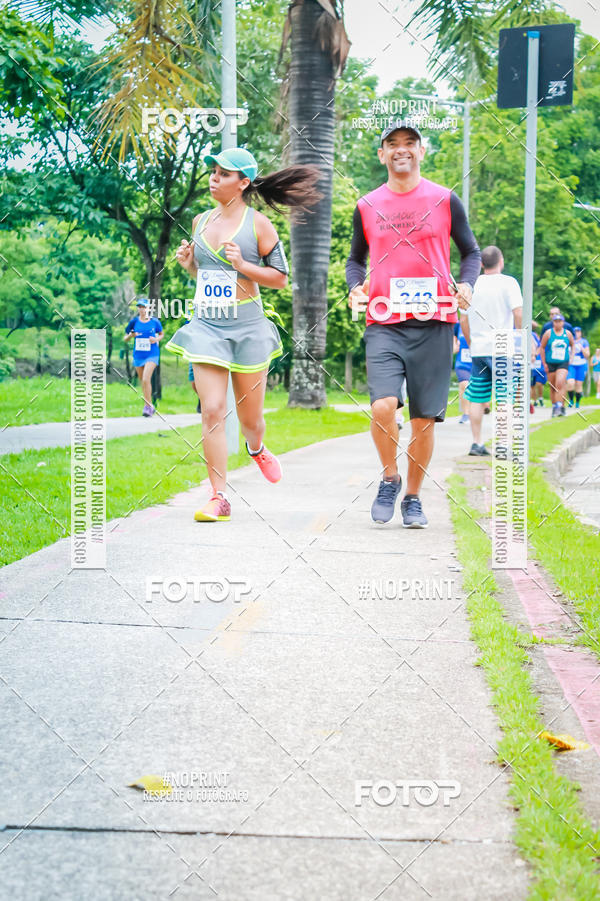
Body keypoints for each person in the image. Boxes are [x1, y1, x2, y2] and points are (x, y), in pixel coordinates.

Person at [166, 146, 320, 522]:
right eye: (213, 172)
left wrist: (243, 264)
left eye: (223, 174)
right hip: (207, 326)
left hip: (248, 328)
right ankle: (219, 496)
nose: (214, 178)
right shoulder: (201, 221)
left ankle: (256, 448)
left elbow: (280, 279)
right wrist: (189, 265)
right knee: (212, 410)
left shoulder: (259, 225)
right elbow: (206, 277)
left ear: (243, 183)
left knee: (251, 421)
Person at [346, 118, 480, 528]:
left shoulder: (445, 199)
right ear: (382, 154)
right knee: (382, 405)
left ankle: (413, 498)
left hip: (435, 321)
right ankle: (390, 478)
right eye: (392, 143)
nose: (401, 148)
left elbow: (471, 252)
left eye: (410, 142)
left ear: (422, 151)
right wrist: (354, 287)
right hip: (384, 320)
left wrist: (467, 284)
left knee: (423, 419)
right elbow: (355, 260)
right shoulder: (367, 205)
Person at [460, 246, 523, 455]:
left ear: (480, 264)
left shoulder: (472, 285)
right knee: (504, 397)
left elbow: (463, 319)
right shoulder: (509, 283)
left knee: (477, 397)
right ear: (501, 261)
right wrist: (520, 339)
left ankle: (476, 443)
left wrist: (471, 342)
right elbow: (518, 313)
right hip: (503, 346)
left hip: (479, 348)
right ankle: (503, 444)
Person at [124, 298, 163, 416]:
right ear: (138, 309)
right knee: (143, 382)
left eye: (144, 307)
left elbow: (161, 334)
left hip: (152, 354)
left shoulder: (155, 322)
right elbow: (125, 338)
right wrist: (131, 336)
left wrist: (155, 339)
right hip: (138, 355)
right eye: (140, 307)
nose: (142, 309)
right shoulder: (134, 322)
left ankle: (148, 406)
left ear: (148, 308)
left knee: (146, 379)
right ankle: (149, 405)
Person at [539, 312, 574, 416]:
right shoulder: (548, 333)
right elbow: (542, 347)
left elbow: (573, 345)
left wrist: (571, 357)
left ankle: (559, 406)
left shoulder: (567, 333)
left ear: (563, 322)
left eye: (559, 321)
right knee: (553, 386)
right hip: (550, 363)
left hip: (563, 362)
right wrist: (544, 363)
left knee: (560, 383)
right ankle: (556, 407)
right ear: (553, 322)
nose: (558, 323)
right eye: (555, 321)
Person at [453, 321, 471, 424]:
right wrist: (454, 347)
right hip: (462, 363)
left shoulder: (483, 323)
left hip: (479, 362)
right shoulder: (458, 325)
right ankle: (466, 414)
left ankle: (481, 408)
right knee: (464, 384)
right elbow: (453, 339)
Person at [566, 326, 589, 408]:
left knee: (578, 385)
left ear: (581, 333)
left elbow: (587, 355)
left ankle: (577, 402)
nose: (577, 333)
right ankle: (571, 400)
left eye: (578, 331)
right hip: (571, 365)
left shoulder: (584, 342)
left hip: (581, 365)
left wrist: (581, 348)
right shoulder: (569, 341)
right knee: (570, 383)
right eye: (575, 332)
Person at [530, 321, 547, 412]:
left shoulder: (533, 335)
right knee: (531, 385)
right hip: (530, 365)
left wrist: (535, 355)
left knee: (539, 383)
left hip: (539, 365)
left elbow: (540, 347)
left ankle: (540, 398)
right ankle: (534, 400)